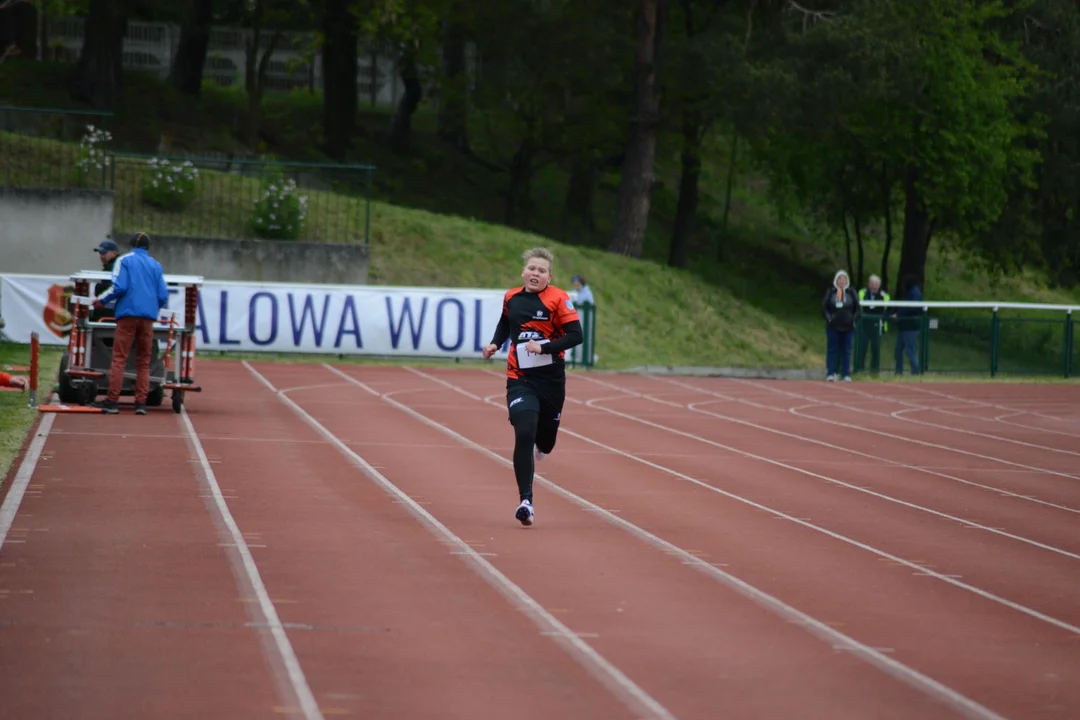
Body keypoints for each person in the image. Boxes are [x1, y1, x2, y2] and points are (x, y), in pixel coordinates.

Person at [482, 247, 584, 526]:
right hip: (520, 378)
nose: (535, 273)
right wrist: (495, 343)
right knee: (524, 431)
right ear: (523, 272)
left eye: (541, 270)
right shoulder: (511, 297)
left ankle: (545, 446)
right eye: (531, 269)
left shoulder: (559, 299)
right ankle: (525, 500)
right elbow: (505, 323)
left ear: (549, 277)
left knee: (546, 441)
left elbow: (576, 336)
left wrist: (543, 347)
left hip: (551, 381)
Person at [90, 232, 169, 415]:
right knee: (144, 361)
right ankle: (141, 403)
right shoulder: (156, 265)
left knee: (119, 359)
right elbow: (163, 295)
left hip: (127, 315)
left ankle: (112, 401)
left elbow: (119, 287)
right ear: (148, 247)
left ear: (132, 245)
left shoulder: (124, 261)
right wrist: (151, 308)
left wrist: (101, 300)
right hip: (148, 318)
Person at [821, 269, 860, 382]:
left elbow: (857, 309)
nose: (842, 282)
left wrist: (853, 320)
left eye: (844, 280)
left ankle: (846, 373)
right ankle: (830, 373)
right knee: (832, 349)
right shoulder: (831, 292)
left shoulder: (851, 292)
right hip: (833, 326)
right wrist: (829, 318)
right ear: (836, 281)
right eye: (840, 280)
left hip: (848, 327)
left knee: (846, 350)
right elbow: (824, 306)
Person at [856, 274, 890, 374]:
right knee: (861, 348)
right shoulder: (862, 293)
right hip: (863, 325)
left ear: (879, 285)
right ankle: (859, 370)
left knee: (875, 349)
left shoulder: (884, 296)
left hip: (877, 325)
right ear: (868, 284)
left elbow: (889, 310)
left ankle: (874, 371)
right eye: (872, 284)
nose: (874, 286)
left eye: (876, 284)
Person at [893, 274, 923, 375]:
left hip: (911, 327)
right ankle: (898, 371)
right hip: (904, 326)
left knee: (910, 349)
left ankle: (915, 371)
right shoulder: (908, 292)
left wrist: (898, 314)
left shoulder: (914, 293)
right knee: (898, 350)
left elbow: (911, 307)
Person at [91, 237, 121, 322]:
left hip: (111, 312)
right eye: (100, 253)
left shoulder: (113, 267)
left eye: (104, 253)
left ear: (114, 253)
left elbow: (103, 289)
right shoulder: (113, 266)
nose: (101, 256)